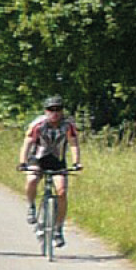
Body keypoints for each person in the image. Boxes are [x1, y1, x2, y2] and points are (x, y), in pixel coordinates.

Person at [21, 96, 81, 225]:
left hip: (57, 161)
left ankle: (58, 226)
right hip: (38, 159)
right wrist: (23, 162)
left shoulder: (68, 125)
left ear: (62, 111)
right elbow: (28, 142)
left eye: (58, 109)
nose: (55, 113)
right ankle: (31, 206)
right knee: (32, 179)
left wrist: (76, 162)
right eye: (51, 109)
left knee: (62, 192)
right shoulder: (38, 124)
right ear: (45, 111)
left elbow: (73, 144)